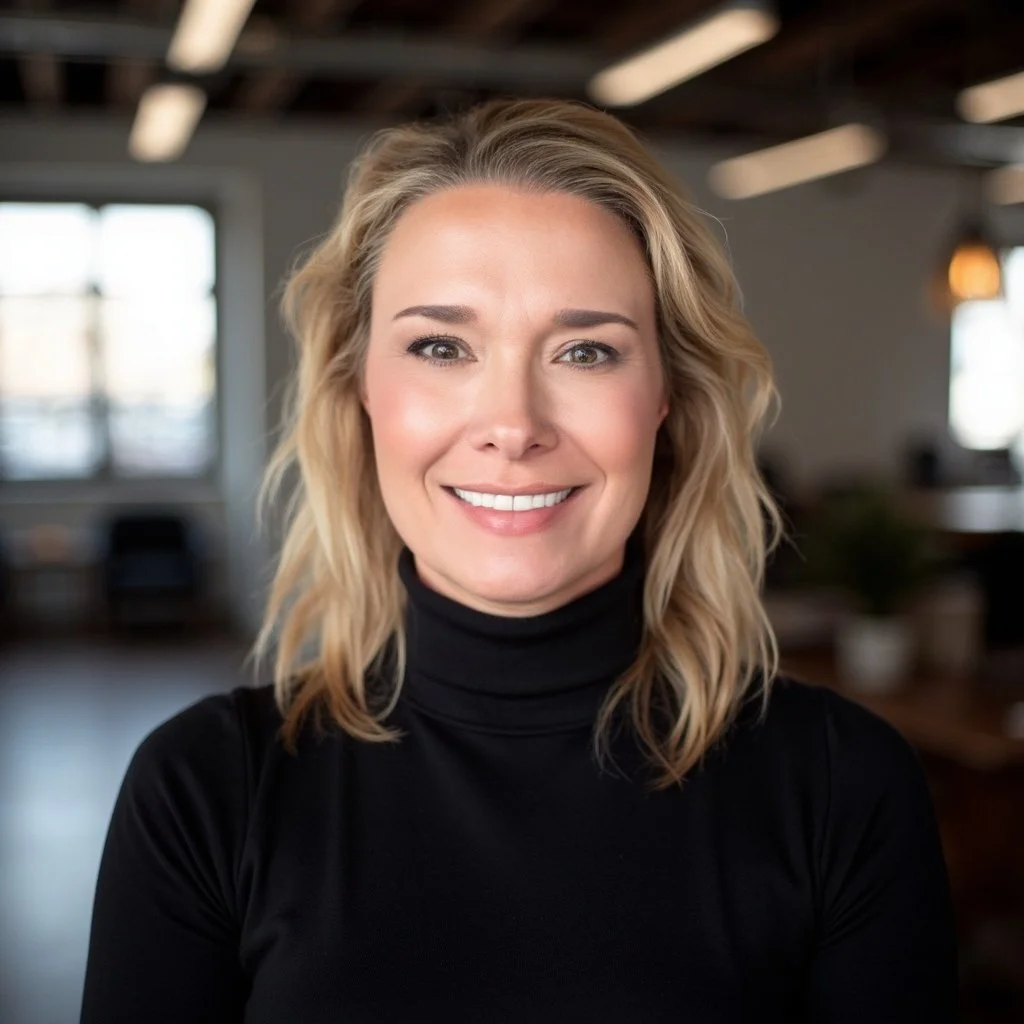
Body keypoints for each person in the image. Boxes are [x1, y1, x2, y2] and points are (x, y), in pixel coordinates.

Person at [80, 98, 958, 1023]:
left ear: (666, 397)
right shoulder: (206, 791)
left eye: (585, 350)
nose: (512, 426)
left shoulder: (838, 786)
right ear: (361, 388)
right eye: (441, 346)